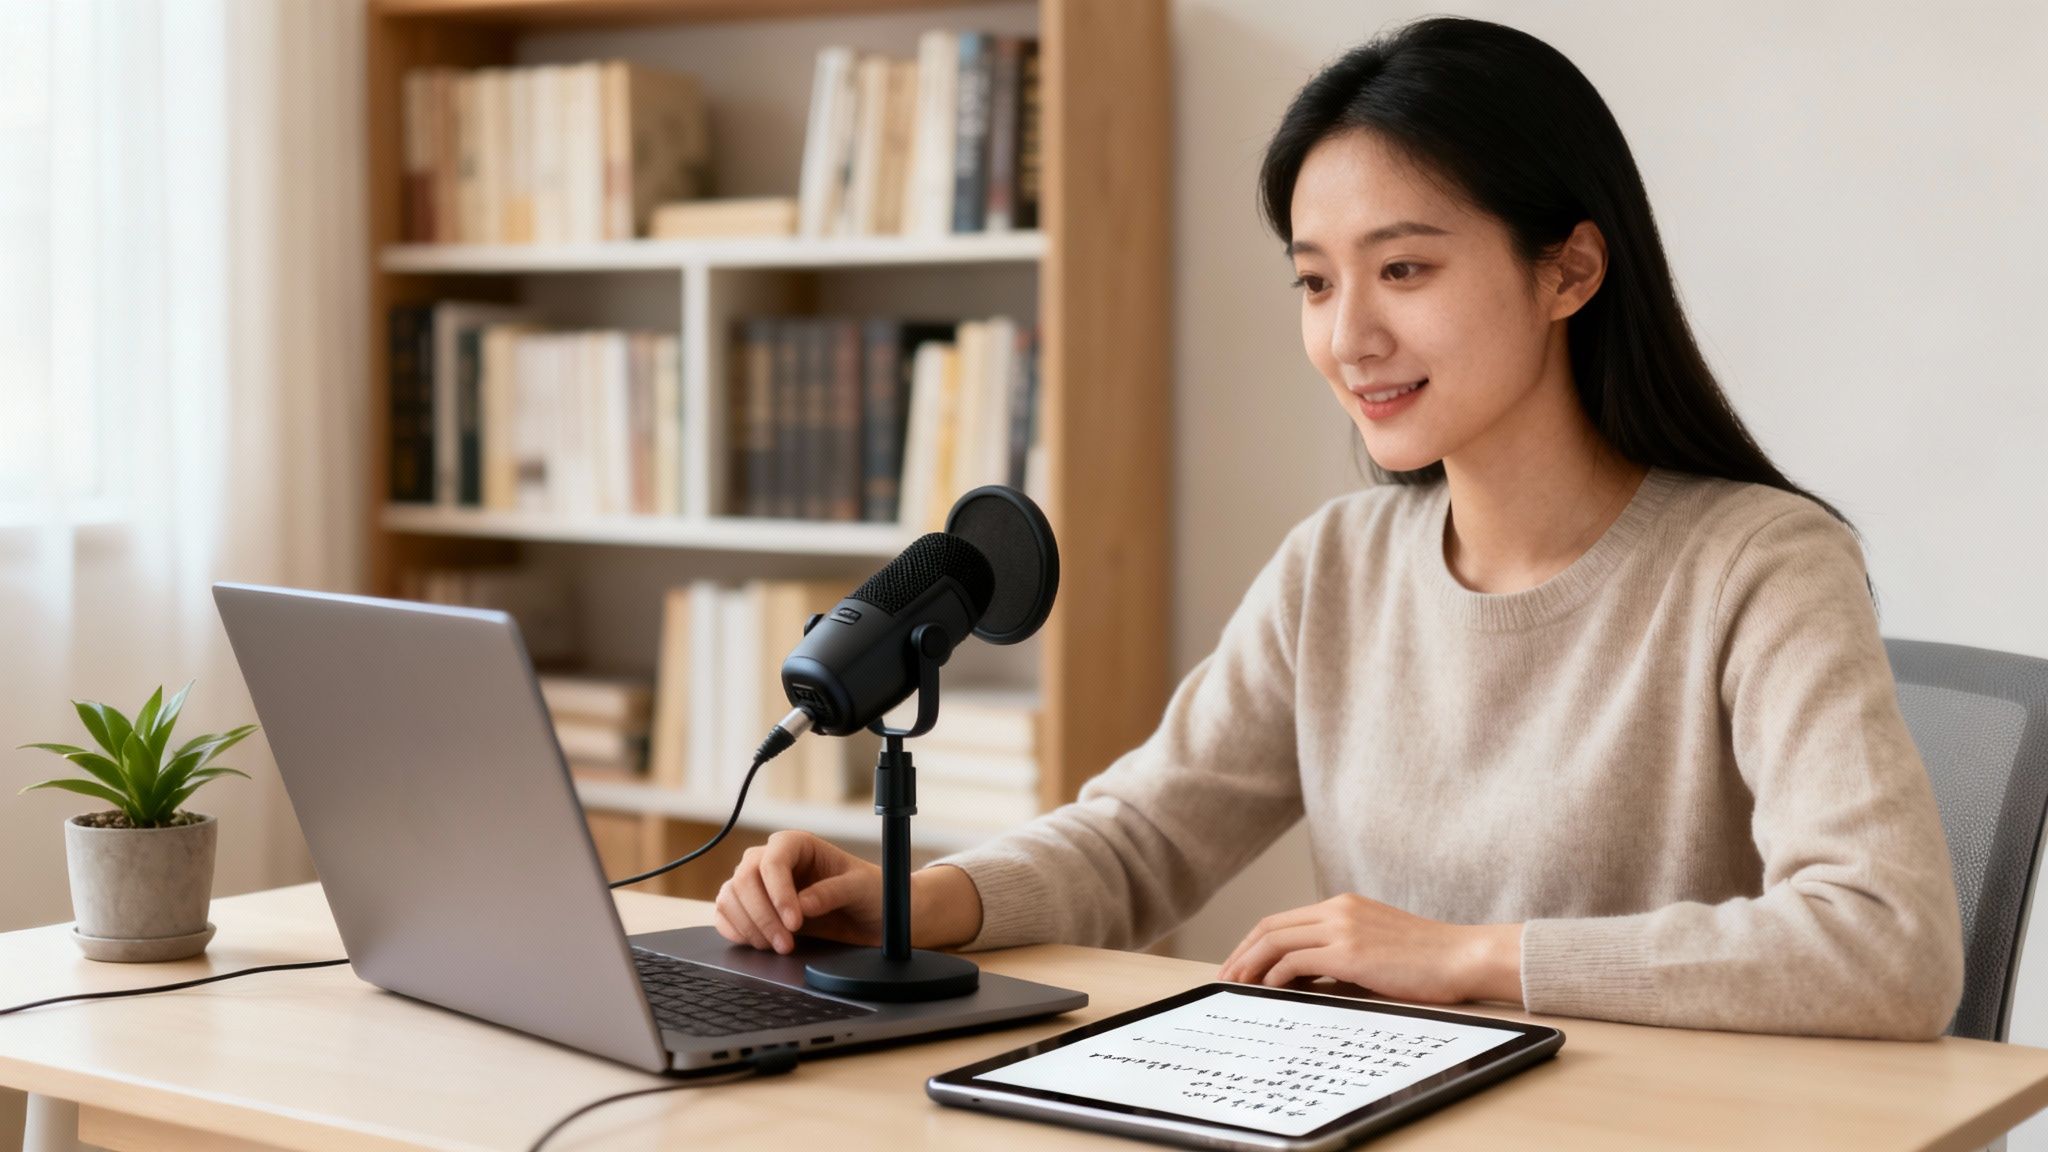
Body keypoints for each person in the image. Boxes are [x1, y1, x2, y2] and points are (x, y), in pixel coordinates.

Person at [712, 15, 1963, 1040]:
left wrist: (1468, 958)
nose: (1346, 336)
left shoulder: (1757, 563)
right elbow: (1144, 835)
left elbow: (1886, 944)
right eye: (1315, 281)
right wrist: (918, 902)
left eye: (1403, 270)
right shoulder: (1337, 566)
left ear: (1568, 271)